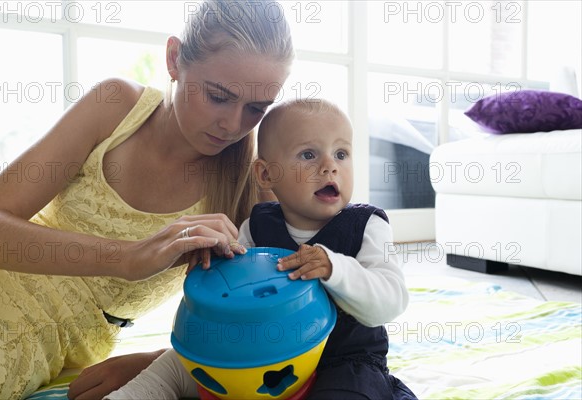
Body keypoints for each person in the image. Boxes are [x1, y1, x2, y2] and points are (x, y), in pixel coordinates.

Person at [0, 1, 293, 398]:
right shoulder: (115, 107)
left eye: (255, 109)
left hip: (37, 347)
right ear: (175, 58)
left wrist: (159, 360)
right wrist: (125, 258)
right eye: (217, 96)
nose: (232, 125)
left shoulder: (249, 187)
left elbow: (278, 321)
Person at [106, 99, 417, 399]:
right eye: (308, 155)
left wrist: (335, 268)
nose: (329, 167)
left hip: (346, 361)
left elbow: (391, 300)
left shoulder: (367, 225)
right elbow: (233, 292)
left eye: (341, 153)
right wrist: (216, 265)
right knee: (178, 365)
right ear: (267, 174)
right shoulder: (256, 226)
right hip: (264, 359)